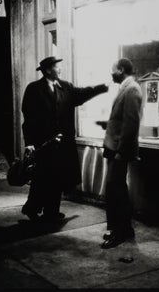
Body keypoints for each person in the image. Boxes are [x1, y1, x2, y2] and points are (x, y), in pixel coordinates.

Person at [21, 56, 108, 223]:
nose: (60, 69)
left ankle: (51, 212)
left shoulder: (65, 87)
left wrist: (102, 88)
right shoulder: (34, 89)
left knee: (57, 177)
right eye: (56, 67)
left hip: (63, 145)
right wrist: (29, 142)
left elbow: (83, 93)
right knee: (42, 178)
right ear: (48, 70)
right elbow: (29, 118)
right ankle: (32, 207)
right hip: (44, 144)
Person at [101, 58, 142, 249]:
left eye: (113, 69)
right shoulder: (126, 88)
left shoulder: (132, 89)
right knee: (118, 190)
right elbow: (122, 121)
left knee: (114, 190)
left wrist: (121, 152)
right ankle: (125, 228)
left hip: (119, 151)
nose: (111, 73)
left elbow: (131, 124)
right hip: (115, 149)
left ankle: (118, 232)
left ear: (122, 69)